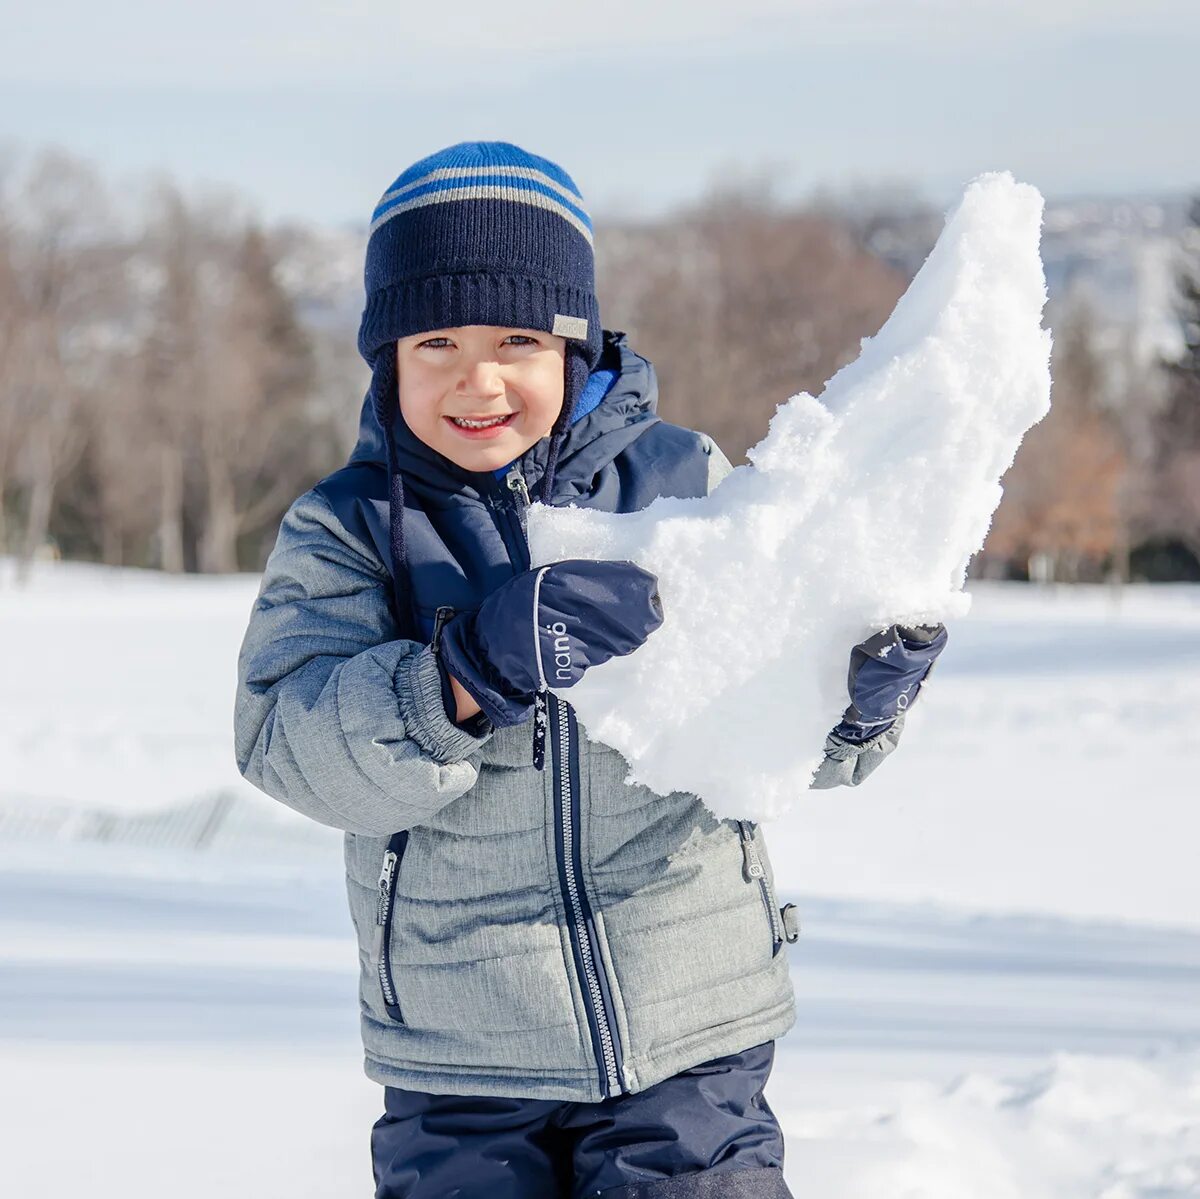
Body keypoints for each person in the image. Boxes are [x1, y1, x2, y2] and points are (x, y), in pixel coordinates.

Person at [233, 141, 946, 1199]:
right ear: (386, 356)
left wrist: (853, 709)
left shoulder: (685, 485)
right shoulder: (347, 529)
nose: (479, 379)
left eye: (517, 337)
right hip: (462, 1041)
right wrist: (465, 673)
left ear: (574, 340)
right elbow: (286, 745)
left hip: (691, 1022)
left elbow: (764, 739)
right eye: (437, 340)